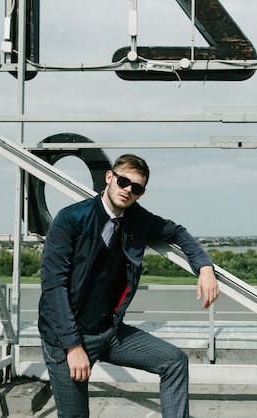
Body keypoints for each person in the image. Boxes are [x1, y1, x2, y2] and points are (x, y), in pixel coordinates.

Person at [38, 153, 220, 418]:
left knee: (174, 361)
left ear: (141, 193)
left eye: (137, 188)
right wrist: (72, 347)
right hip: (67, 337)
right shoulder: (71, 219)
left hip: (108, 332)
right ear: (109, 178)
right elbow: (54, 286)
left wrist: (204, 266)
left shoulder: (136, 219)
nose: (128, 190)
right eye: (124, 181)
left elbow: (177, 232)